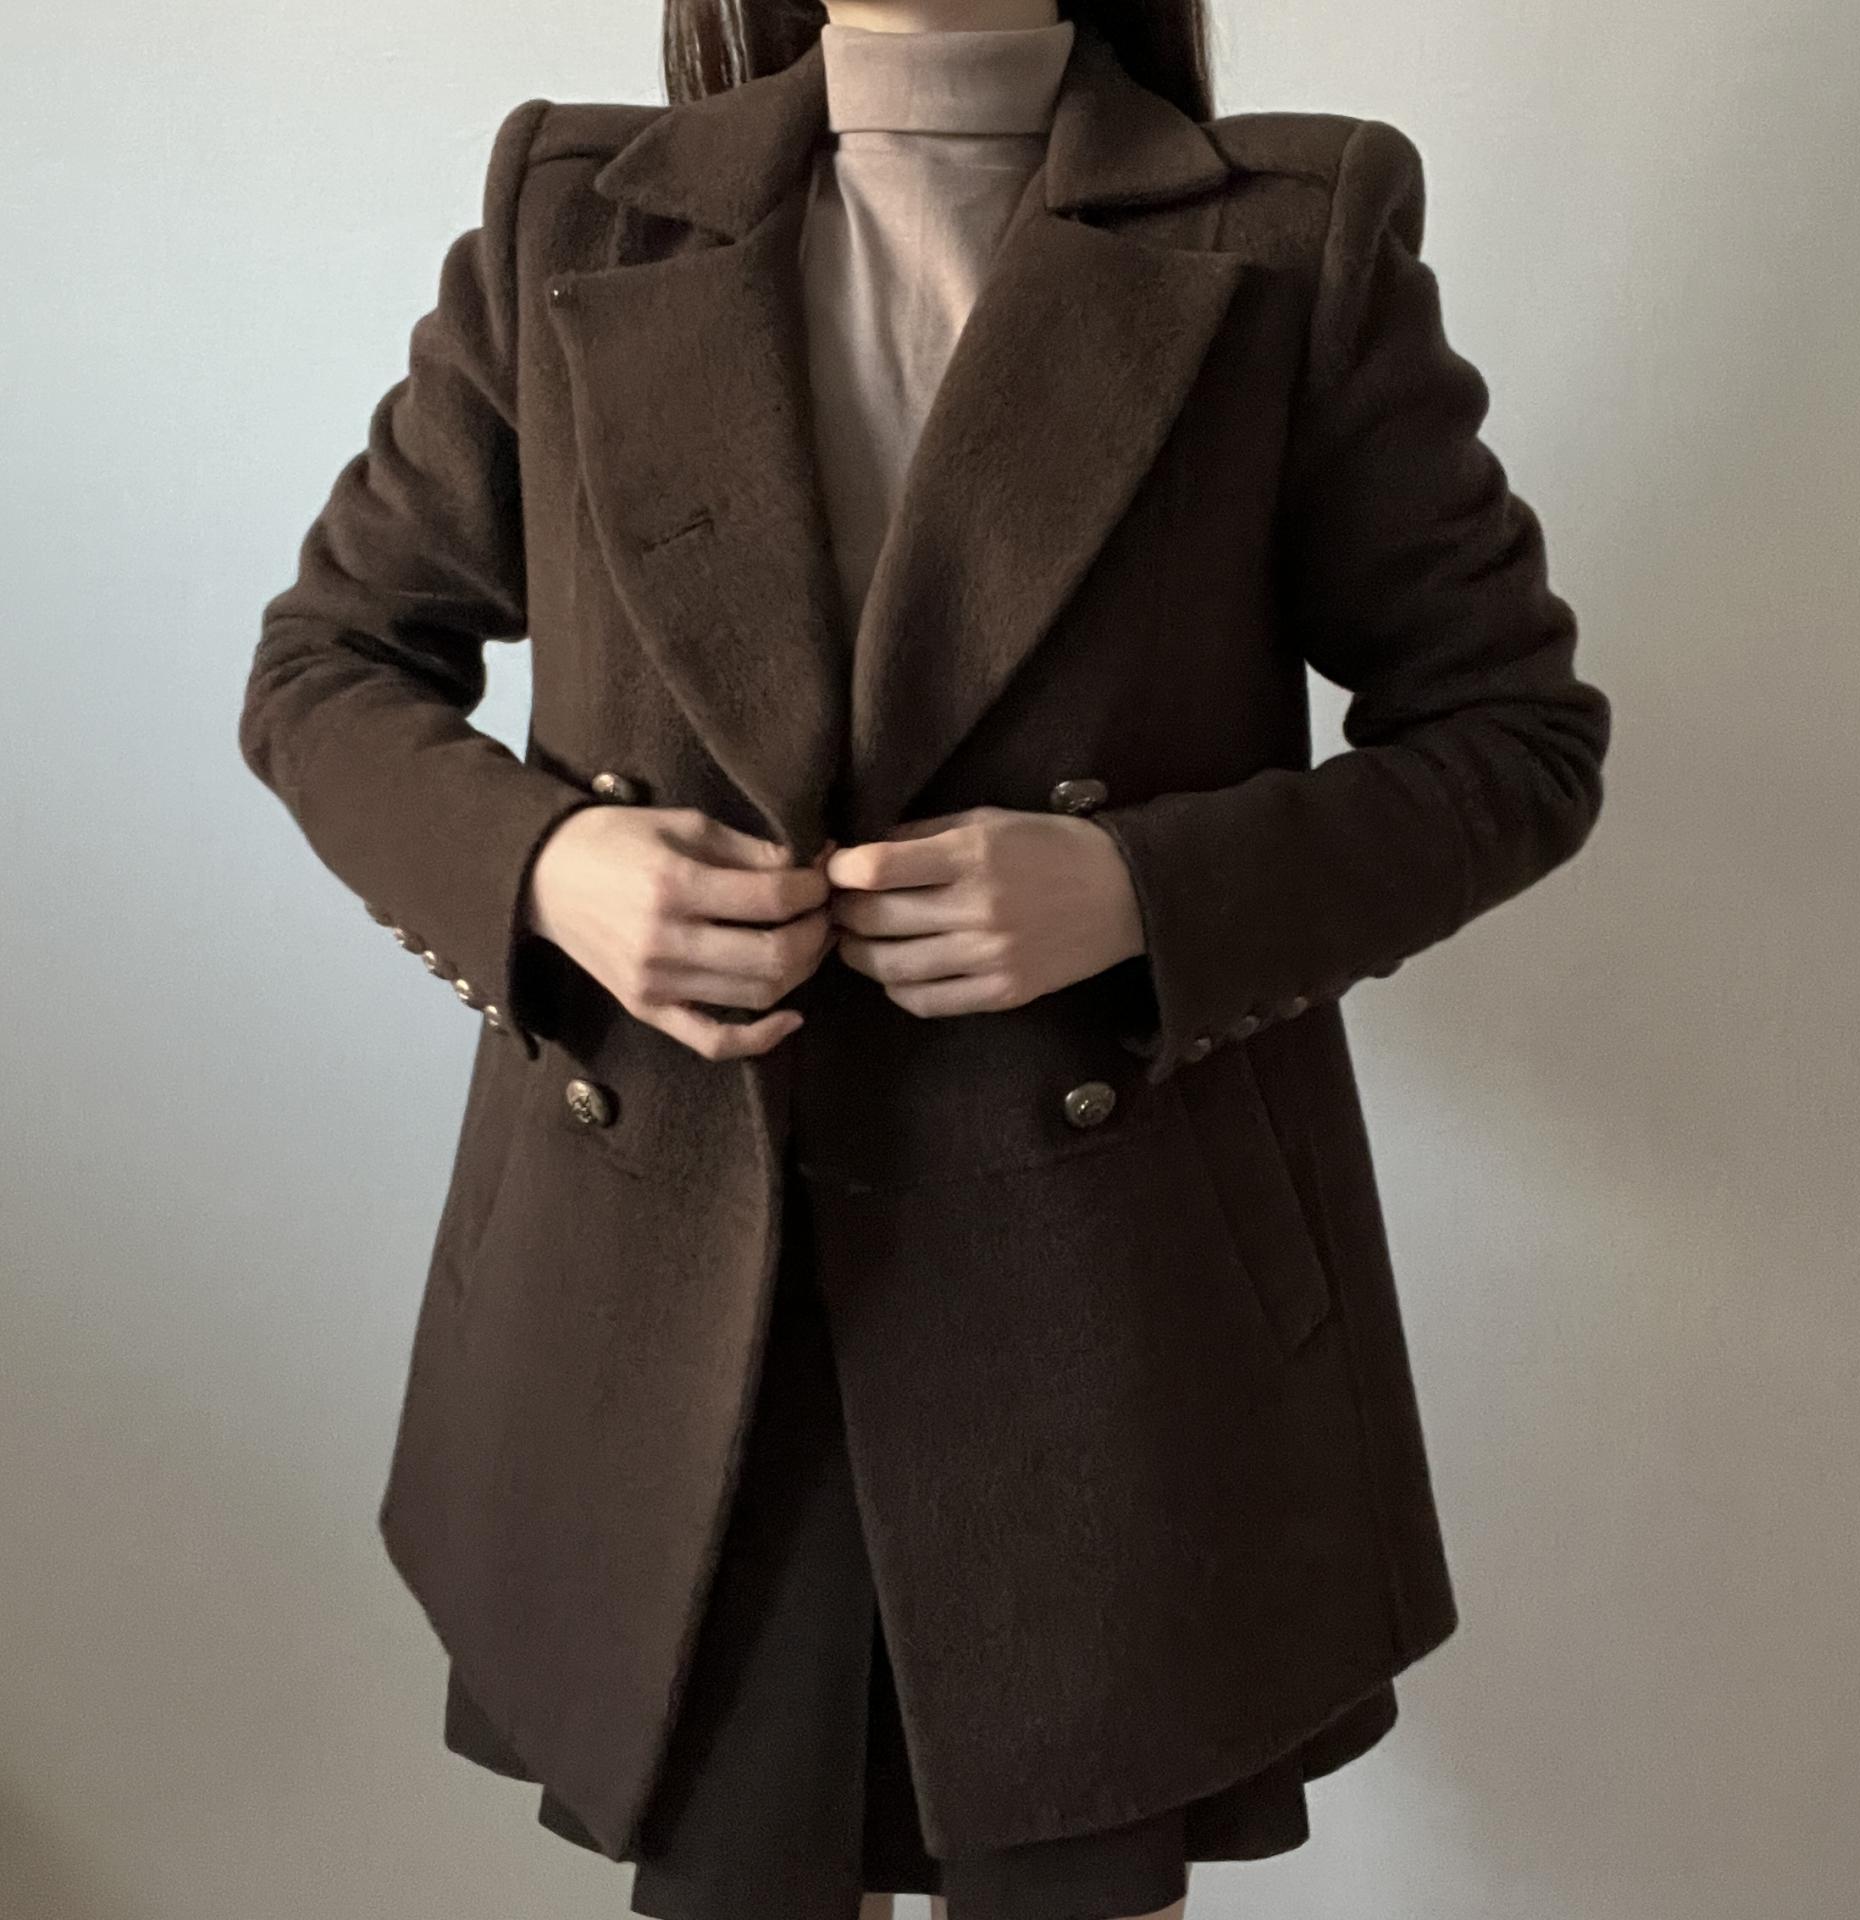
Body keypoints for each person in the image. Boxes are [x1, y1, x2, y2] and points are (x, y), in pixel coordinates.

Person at [239, 3, 1612, 1917]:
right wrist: (549, 873)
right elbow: (325, 671)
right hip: (667, 1307)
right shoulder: (577, 211)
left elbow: (1515, 740)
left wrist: (1141, 895)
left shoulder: (1297, 232)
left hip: (1113, 1326)